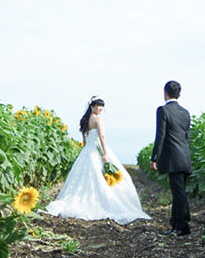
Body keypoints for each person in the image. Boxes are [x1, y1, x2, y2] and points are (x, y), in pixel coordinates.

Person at [44, 96, 149, 224]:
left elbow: (84, 139)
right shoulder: (98, 120)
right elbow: (102, 137)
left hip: (87, 151)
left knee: (84, 178)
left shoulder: (85, 120)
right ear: (92, 106)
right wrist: (105, 153)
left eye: (102, 106)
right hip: (96, 150)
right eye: (98, 106)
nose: (100, 108)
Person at [150, 79, 191, 236]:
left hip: (173, 159)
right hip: (185, 157)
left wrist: (155, 158)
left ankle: (183, 226)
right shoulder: (185, 112)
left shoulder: (163, 111)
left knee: (179, 194)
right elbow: (187, 137)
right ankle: (175, 225)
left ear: (165, 93)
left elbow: (160, 136)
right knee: (178, 192)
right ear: (179, 94)